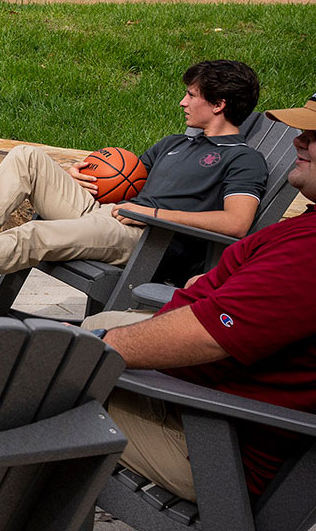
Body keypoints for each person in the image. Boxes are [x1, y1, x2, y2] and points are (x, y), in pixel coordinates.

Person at [81, 93, 316, 505]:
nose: (299, 140)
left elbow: (210, 335)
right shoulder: (305, 232)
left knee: (30, 391)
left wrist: (91, 349)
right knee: (84, 333)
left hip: (212, 446)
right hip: (208, 404)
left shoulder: (309, 252)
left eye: (314, 136)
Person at [0, 60, 268, 275]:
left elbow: (236, 223)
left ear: (218, 104)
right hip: (110, 213)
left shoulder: (243, 159)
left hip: (147, 238)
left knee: (34, 234)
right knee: (27, 155)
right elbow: (127, 180)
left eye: (191, 95)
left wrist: (153, 216)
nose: (183, 102)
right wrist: (80, 176)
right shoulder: (174, 143)